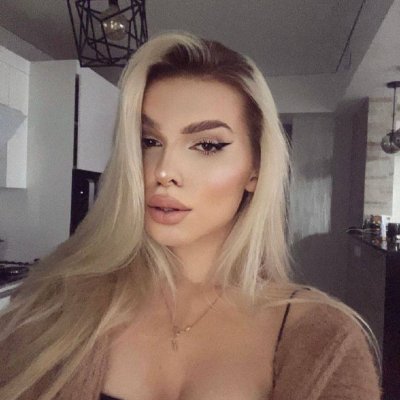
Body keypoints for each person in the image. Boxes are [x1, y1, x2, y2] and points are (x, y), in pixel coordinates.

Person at [0, 31, 382, 400]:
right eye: (149, 141)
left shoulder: (325, 339)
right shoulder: (54, 302)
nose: (164, 171)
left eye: (207, 145)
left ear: (255, 169)